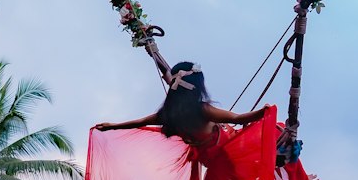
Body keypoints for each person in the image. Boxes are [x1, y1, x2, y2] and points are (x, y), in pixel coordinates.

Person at [95, 62, 267, 148]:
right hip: (229, 151)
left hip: (209, 157)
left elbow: (140, 122)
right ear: (198, 87)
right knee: (276, 130)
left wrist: (113, 126)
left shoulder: (167, 115)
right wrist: (263, 111)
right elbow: (238, 118)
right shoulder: (203, 110)